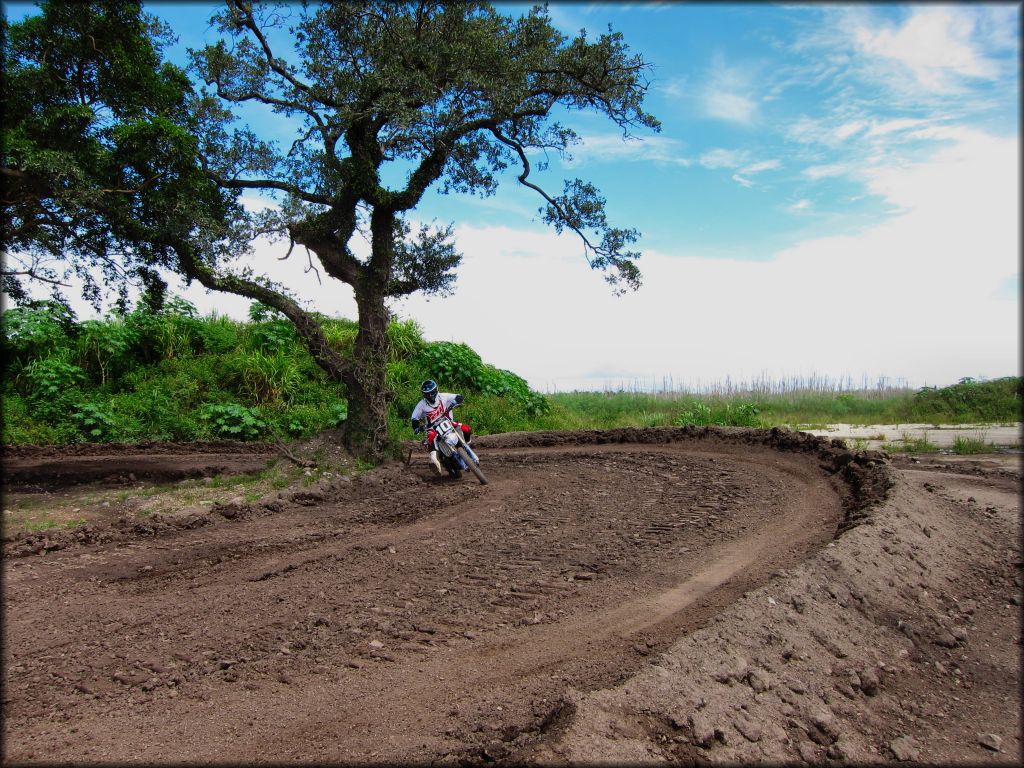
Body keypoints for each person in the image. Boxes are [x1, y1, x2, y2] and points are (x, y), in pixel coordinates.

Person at [411, 379, 472, 471]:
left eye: (432, 392)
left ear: (436, 390)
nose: (430, 395)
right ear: (424, 394)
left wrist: (458, 399)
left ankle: (467, 445)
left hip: (448, 422)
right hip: (432, 428)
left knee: (466, 428)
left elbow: (457, 396)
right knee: (430, 437)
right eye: (427, 394)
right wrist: (416, 427)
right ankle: (434, 460)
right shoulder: (421, 405)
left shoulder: (444, 396)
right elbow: (414, 418)